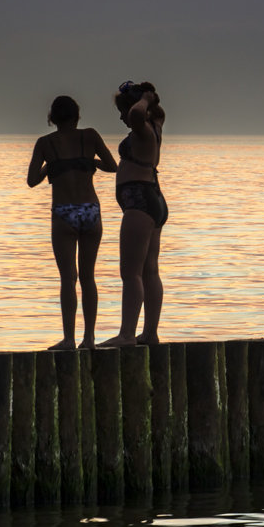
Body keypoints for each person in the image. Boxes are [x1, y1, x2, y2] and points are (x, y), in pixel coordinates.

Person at [27, 95, 117, 350]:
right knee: (88, 277)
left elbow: (32, 180)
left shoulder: (45, 143)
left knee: (68, 278)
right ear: (78, 116)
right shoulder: (90, 136)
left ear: (52, 118)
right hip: (90, 209)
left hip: (63, 212)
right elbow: (113, 166)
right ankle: (89, 338)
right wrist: (90, 163)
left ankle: (68, 338)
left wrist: (52, 168)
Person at [100, 81, 167, 347]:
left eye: (123, 110)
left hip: (140, 201)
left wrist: (145, 99)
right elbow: (157, 113)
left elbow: (137, 114)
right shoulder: (156, 126)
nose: (122, 117)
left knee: (131, 272)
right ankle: (149, 333)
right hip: (153, 200)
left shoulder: (142, 128)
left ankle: (127, 334)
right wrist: (149, 101)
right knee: (149, 270)